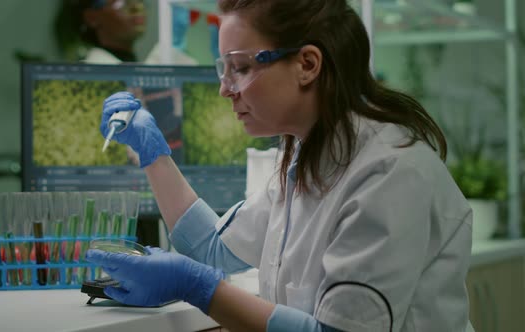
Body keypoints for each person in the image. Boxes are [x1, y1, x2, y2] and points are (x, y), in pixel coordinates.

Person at [86, 0, 474, 331]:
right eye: (224, 68)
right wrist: (153, 154)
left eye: (239, 67)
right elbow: (213, 249)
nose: (225, 88)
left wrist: (199, 288)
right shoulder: (307, 156)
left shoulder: (391, 173)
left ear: (307, 64)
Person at [53, 0, 197, 65]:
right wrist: (172, 46)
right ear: (92, 17)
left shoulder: (132, 64)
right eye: (122, 1)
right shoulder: (91, 70)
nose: (136, 6)